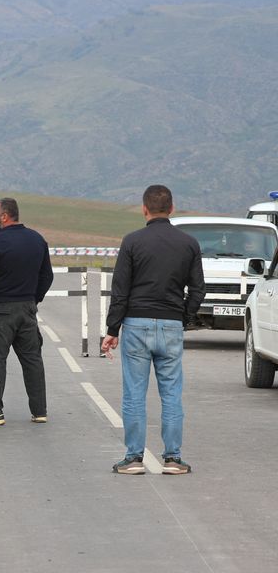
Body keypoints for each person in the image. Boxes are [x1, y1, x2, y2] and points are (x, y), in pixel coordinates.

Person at [101, 185, 205, 476]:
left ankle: (134, 458)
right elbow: (198, 289)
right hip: (171, 324)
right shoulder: (188, 243)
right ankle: (172, 458)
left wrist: (112, 329)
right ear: (172, 209)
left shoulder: (132, 242)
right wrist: (183, 316)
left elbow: (120, 291)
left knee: (134, 394)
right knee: (171, 393)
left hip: (136, 324)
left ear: (144, 209)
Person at [0, 198, 53, 427]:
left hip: (0, 310)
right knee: (32, 360)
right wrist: (34, 299)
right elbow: (47, 276)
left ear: (4, 216)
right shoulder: (37, 239)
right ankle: (39, 410)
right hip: (27, 309)